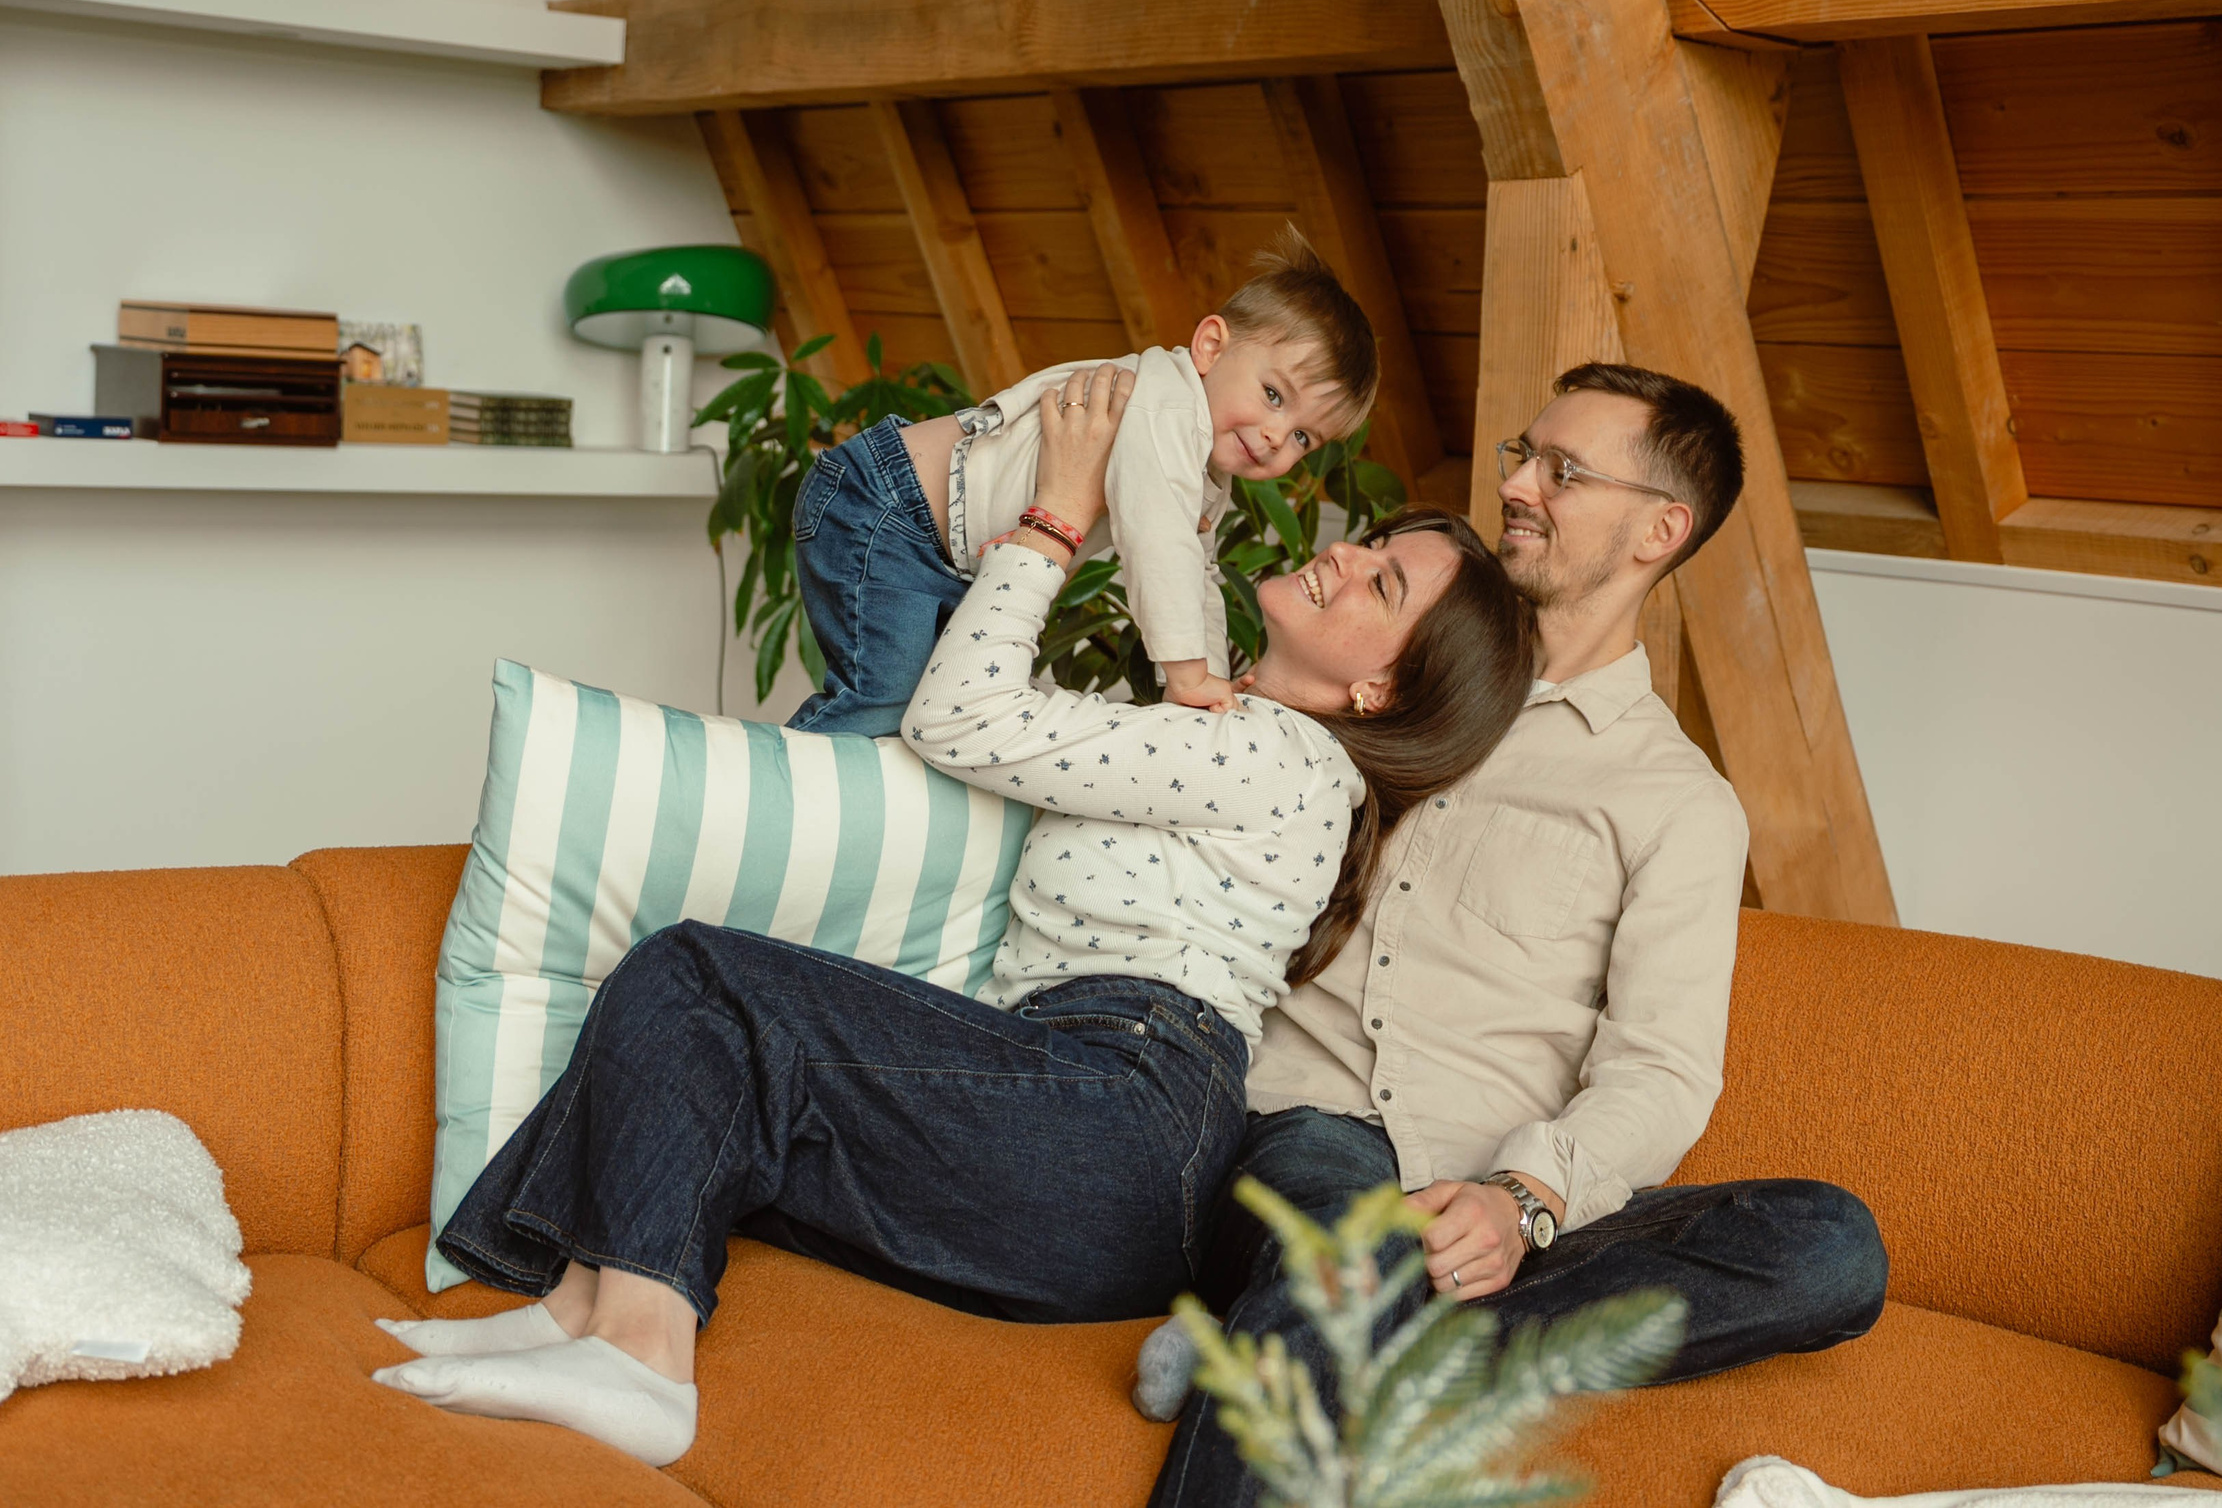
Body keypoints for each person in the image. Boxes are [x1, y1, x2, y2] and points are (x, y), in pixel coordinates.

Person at [370, 362, 1539, 1470]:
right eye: (1375, 543)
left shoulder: (1277, 755)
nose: (1345, 555)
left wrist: (1057, 512)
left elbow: (962, 720)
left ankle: (641, 1358)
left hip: (1121, 1114)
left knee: (699, 977)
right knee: (733, 1087)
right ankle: (582, 1306)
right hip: (1093, 1128)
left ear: (1380, 689)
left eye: (1380, 581)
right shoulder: (1218, 719)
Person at [1140, 363, 1892, 1508]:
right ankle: (1323, 1326)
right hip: (1319, 1139)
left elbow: (1663, 1068)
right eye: (1522, 454)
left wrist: (1523, 1195)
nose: (1520, 485)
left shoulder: (1677, 800)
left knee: (1830, 1244)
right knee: (1350, 1247)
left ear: (1660, 528)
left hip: (1504, 1208)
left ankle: (1309, 1351)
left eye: (1564, 469)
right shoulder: (1385, 659)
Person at [790, 226, 1374, 729]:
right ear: (1211, 346)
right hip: (888, 507)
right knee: (879, 707)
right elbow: (1158, 544)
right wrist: (1187, 675)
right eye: (1274, 395)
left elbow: (1196, 571)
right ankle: (760, 790)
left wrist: (1211, 685)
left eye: (1303, 437)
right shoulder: (1166, 408)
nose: (1277, 435)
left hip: (936, 547)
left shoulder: (1202, 468)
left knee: (930, 713)